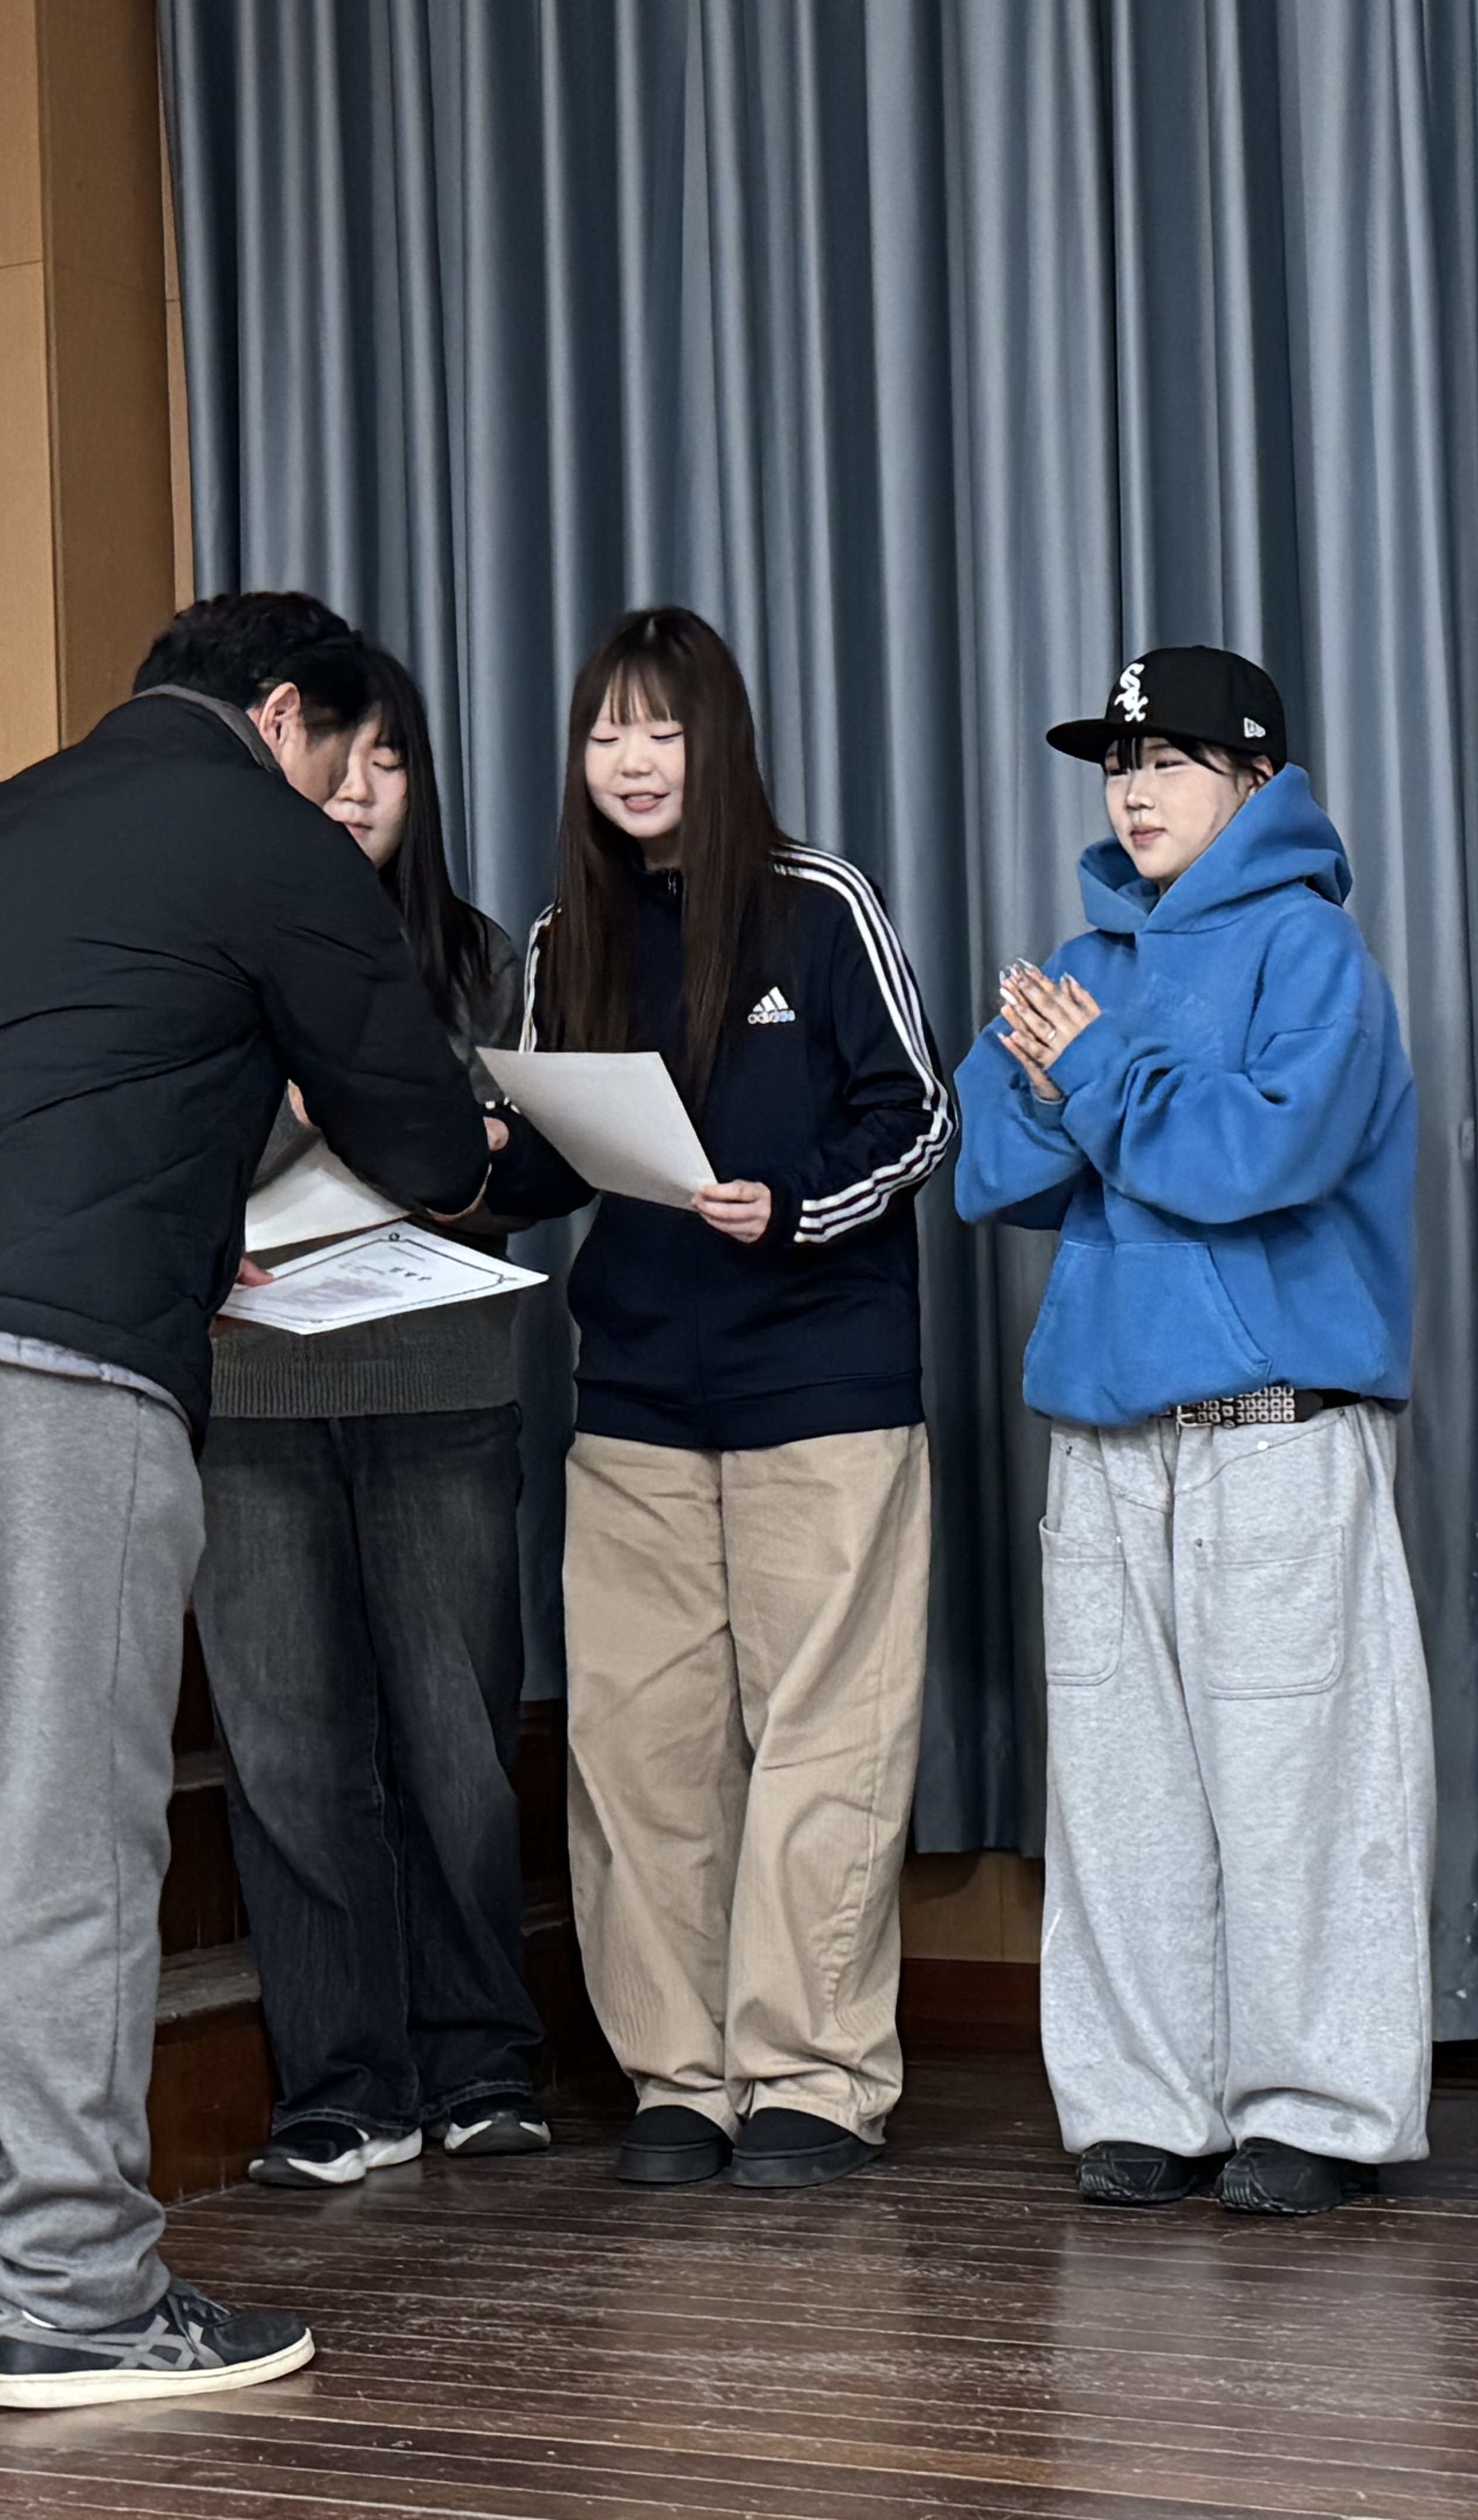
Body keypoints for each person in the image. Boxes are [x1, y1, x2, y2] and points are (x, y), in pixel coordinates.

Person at [0, 592, 491, 2405]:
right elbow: (424, 1138)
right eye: (342, 753)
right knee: (69, 1822)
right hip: (37, 1365)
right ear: (291, 715)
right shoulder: (266, 831)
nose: (341, 788)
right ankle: (82, 2292)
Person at [951, 646, 1432, 2220]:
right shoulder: (1088, 953)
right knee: (1122, 1790)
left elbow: (1255, 1157)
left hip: (1276, 1426)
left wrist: (1084, 1069)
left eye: (1167, 760)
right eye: (1116, 763)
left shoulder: (1315, 953)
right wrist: (1066, 1082)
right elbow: (987, 1170)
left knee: (1305, 1781)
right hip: (1104, 1441)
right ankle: (1148, 2099)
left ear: (1254, 776)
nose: (1134, 789)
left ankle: (1325, 2108)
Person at [487, 605, 954, 2192]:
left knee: (827, 1737)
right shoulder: (566, 942)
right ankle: (679, 2077)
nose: (630, 760)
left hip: (822, 1389)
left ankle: (814, 2074)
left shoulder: (821, 907)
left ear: (718, 743)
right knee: (639, 1750)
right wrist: (481, 1156)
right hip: (628, 1407)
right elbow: (561, 1158)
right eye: (606, 733)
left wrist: (795, 1203)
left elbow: (922, 1117)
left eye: (661, 730)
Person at [192, 635, 551, 2190]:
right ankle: (342, 2088)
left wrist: (454, 1136)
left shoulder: (479, 959)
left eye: (389, 761)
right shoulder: (211, 948)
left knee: (456, 1737)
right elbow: (184, 1168)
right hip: (251, 1383)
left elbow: (531, 1170)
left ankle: (481, 2058)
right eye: (334, 758)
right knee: (287, 1743)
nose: (356, 786)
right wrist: (304, 1110)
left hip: (444, 1381)